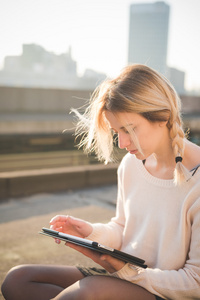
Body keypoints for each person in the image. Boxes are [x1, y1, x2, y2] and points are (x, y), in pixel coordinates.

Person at [1, 64, 200, 300]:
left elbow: (195, 283)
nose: (122, 143)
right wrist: (91, 232)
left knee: (85, 293)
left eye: (129, 129)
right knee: (18, 280)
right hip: (125, 277)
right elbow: (123, 229)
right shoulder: (131, 164)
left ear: (163, 116)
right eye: (117, 131)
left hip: (165, 291)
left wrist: (127, 273)